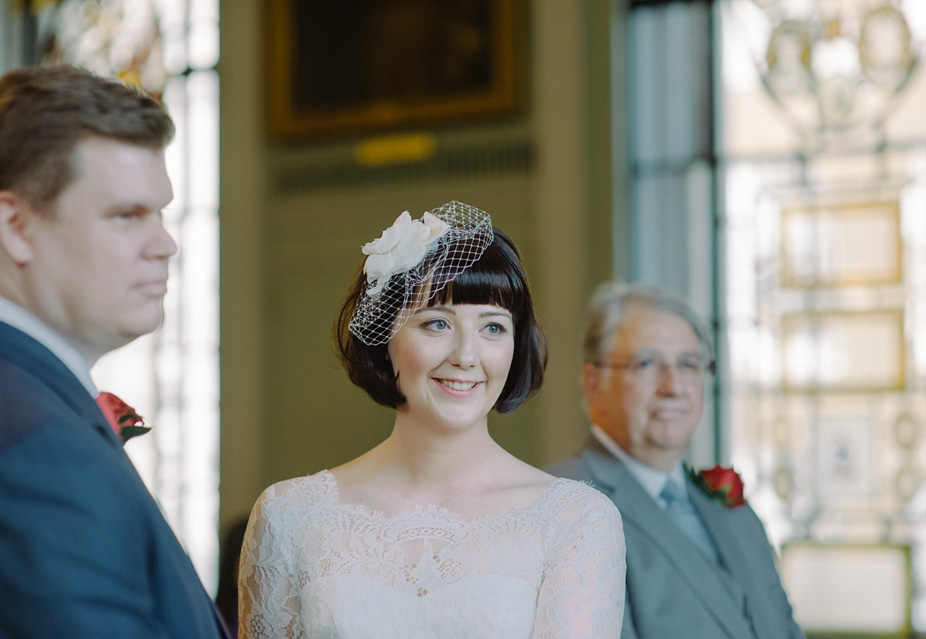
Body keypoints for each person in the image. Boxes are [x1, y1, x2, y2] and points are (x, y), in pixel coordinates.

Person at [238, 202, 626, 638]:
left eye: (493, 327)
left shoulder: (574, 519)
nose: (465, 355)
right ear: (386, 339)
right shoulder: (290, 516)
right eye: (437, 324)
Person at [0, 65, 229, 638]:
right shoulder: (36, 441)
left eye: (162, 214)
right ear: (15, 225)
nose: (165, 245)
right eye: (127, 216)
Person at [550, 284, 804, 639]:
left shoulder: (733, 510)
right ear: (594, 384)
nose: (673, 386)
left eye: (688, 364)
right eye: (647, 363)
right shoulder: (562, 508)